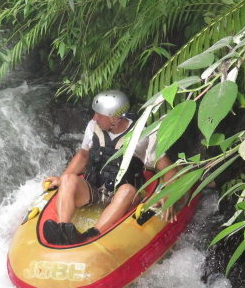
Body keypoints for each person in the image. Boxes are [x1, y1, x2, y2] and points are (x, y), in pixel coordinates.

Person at [43, 90, 177, 245]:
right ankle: (62, 229)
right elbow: (83, 155)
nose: (95, 118)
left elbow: (168, 169)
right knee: (68, 179)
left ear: (115, 118)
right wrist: (61, 179)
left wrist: (167, 195)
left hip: (124, 196)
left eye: (99, 115)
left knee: (127, 190)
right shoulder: (93, 126)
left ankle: (90, 235)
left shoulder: (142, 135)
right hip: (95, 189)